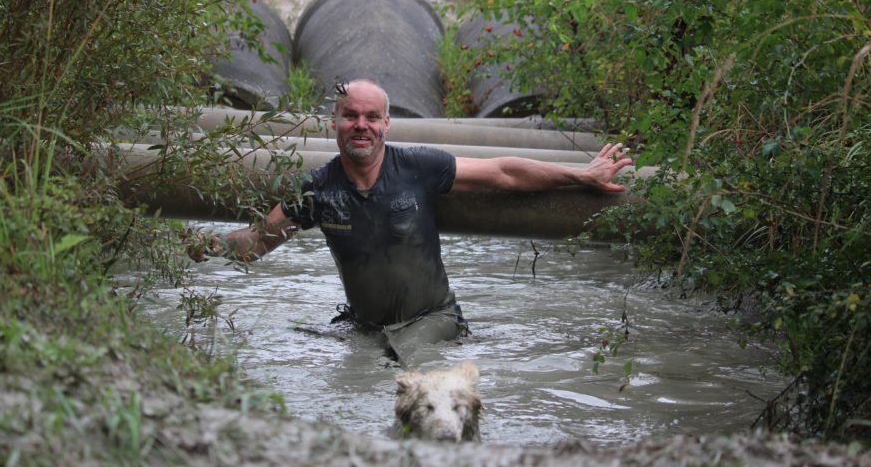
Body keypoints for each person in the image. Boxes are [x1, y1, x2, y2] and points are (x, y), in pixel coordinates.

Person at [187, 79, 633, 363]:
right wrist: (200, 245)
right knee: (311, 351)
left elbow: (502, 171)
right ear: (334, 124)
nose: (360, 125)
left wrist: (580, 174)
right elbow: (258, 243)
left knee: (398, 361)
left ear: (386, 124)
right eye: (350, 116)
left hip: (435, 319)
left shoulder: (418, 166)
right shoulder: (315, 190)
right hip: (366, 326)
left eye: (370, 117)